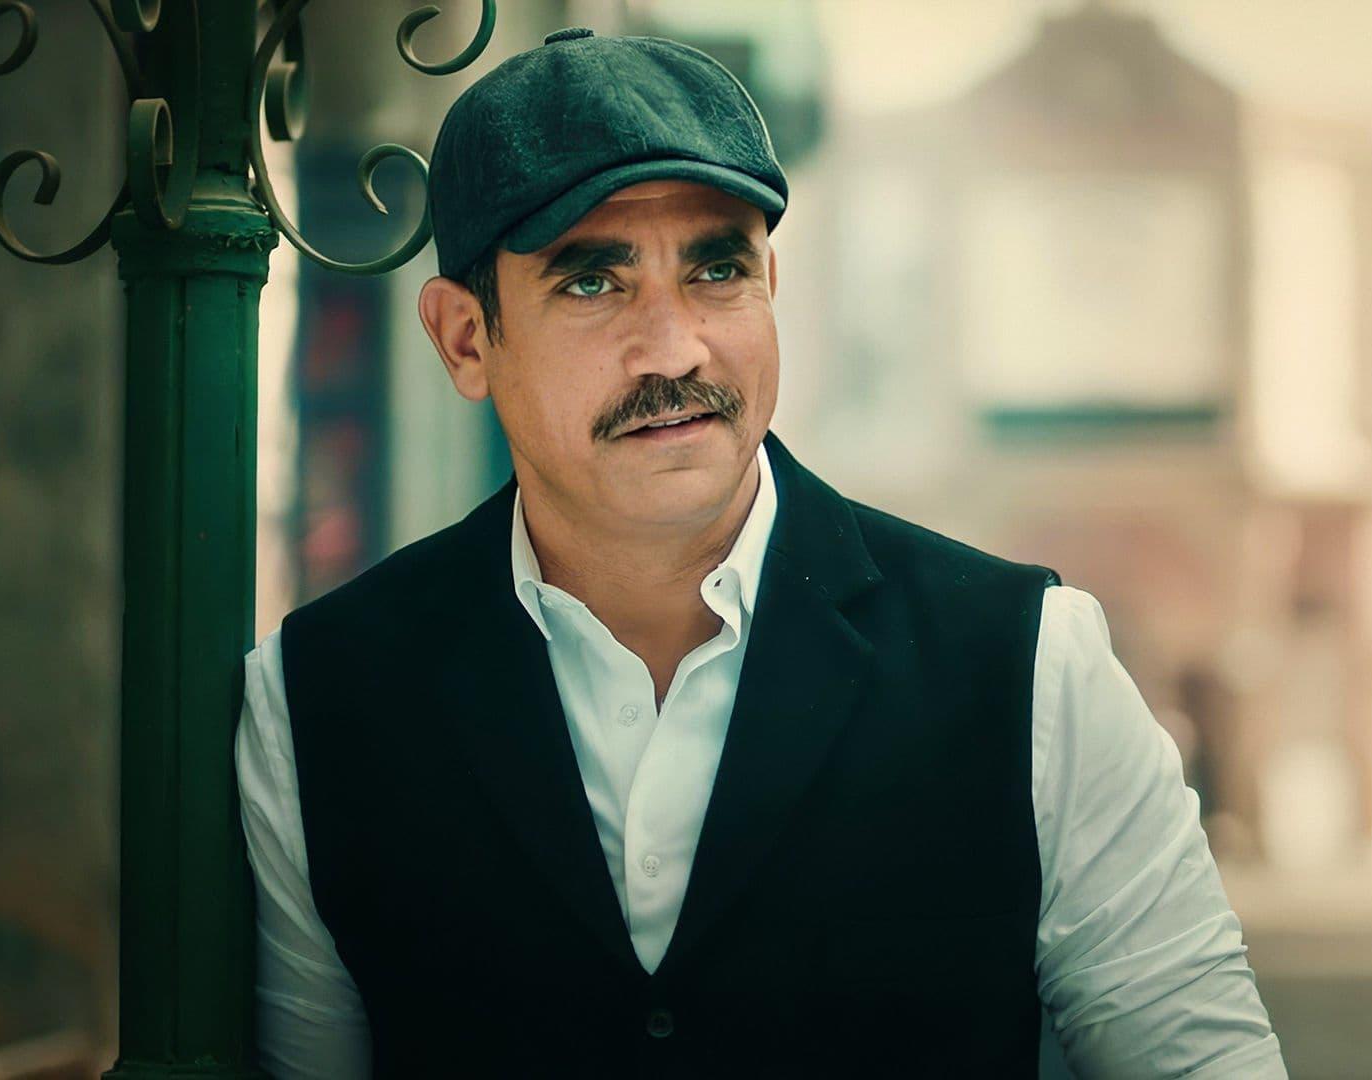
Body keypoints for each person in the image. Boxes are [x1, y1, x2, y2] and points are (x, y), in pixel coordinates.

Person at [234, 26, 1285, 1079]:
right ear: (466, 339)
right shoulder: (318, 701)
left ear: (769, 284)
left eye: (717, 269)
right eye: (592, 282)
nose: (675, 346)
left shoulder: (1028, 666)